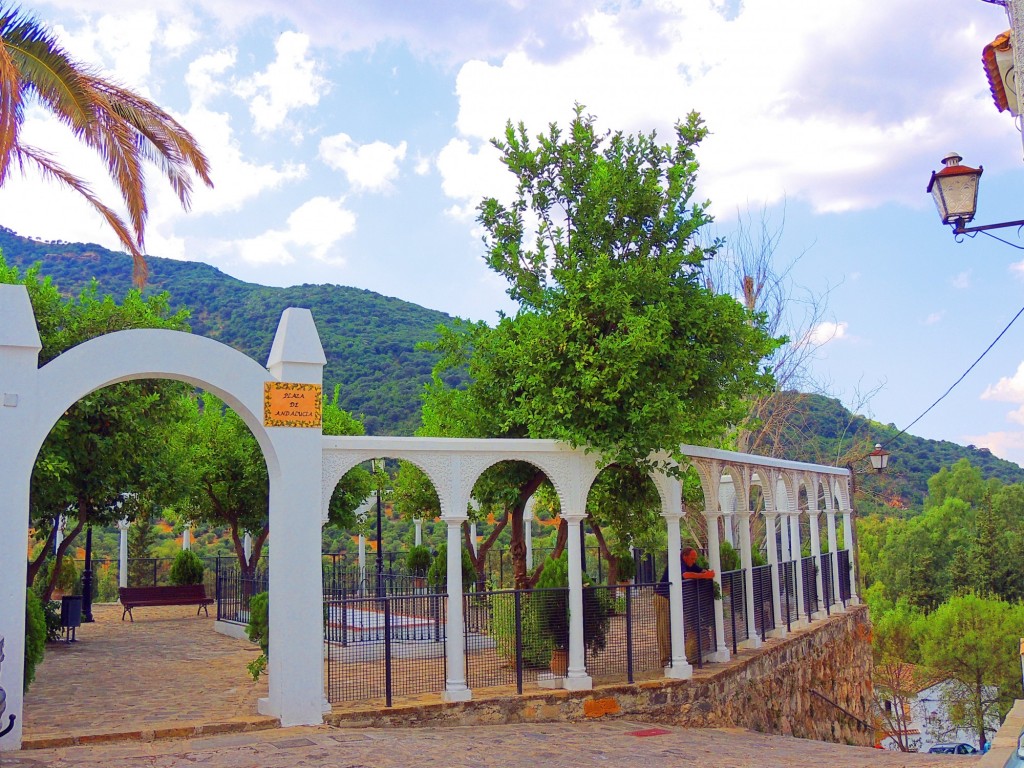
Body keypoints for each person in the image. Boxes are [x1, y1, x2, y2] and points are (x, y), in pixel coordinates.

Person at [655, 546, 715, 667]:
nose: (693, 561)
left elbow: (699, 570)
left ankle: (675, 655)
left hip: (674, 600)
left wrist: (708, 572)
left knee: (676, 628)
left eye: (695, 559)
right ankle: (665, 660)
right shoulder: (678, 563)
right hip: (663, 598)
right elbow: (686, 575)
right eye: (692, 558)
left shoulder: (690, 563)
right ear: (685, 557)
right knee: (664, 629)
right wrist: (704, 576)